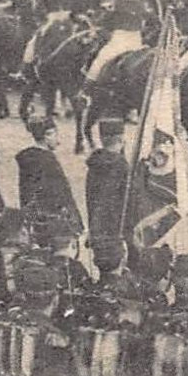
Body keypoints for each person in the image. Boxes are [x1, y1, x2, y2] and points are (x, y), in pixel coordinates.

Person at [16, 116, 82, 235]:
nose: (58, 140)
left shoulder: (27, 159)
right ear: (48, 135)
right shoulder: (49, 161)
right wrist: (76, 223)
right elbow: (62, 194)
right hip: (52, 223)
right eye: (55, 135)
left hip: (33, 220)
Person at [83, 117, 130, 280]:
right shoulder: (119, 165)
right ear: (121, 138)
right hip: (117, 231)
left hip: (98, 232)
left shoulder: (95, 163)